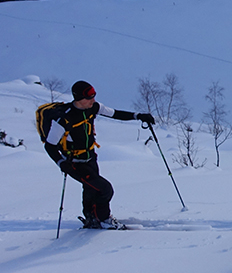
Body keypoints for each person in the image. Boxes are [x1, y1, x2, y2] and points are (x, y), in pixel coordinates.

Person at [42, 80, 156, 229]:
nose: (93, 100)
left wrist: (138, 116)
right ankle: (104, 219)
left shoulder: (93, 108)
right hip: (74, 163)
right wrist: (61, 163)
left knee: (91, 189)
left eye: (94, 96)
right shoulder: (64, 119)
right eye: (89, 98)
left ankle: (91, 218)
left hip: (90, 157)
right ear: (78, 98)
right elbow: (50, 146)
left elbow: (115, 114)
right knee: (105, 188)